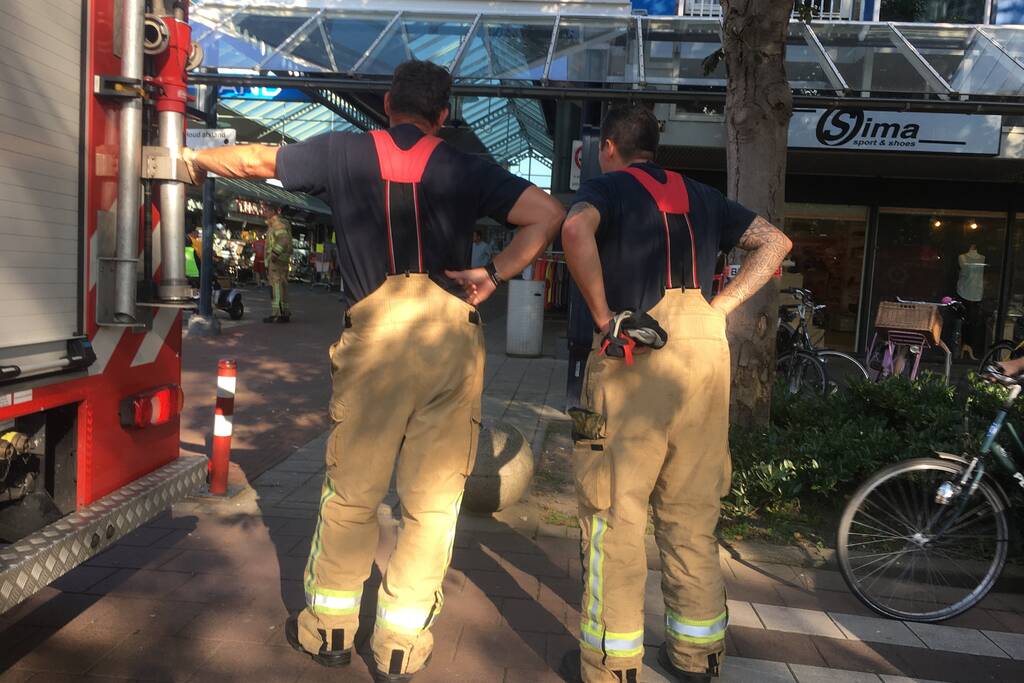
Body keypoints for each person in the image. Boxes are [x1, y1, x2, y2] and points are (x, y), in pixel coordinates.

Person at [181, 59, 564, 682]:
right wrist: (495, 276)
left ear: (387, 103)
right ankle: (399, 645)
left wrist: (195, 160)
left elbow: (253, 161)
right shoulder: (466, 166)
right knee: (432, 506)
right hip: (448, 340)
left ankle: (328, 628)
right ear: (444, 115)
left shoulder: (339, 152)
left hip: (372, 341)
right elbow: (547, 214)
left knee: (352, 493)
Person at [559, 105, 792, 683]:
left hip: (634, 352)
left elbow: (572, 230)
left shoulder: (604, 188)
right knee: (692, 513)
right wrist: (722, 308)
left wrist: (603, 315)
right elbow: (774, 244)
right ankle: (698, 656)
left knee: (616, 512)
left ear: (610, 146)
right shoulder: (704, 196)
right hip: (705, 354)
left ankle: (614, 664)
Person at [264, 207, 294, 323]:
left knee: (275, 286)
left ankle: (277, 313)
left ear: (273, 211)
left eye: (266, 210)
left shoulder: (276, 224)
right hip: (283, 260)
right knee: (283, 285)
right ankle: (284, 311)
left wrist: (274, 254)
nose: (264, 212)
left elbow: (283, 239)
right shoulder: (282, 224)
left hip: (276, 262)